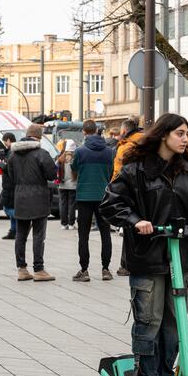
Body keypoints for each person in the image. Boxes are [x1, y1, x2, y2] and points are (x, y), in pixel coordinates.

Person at [99, 113, 188, 376]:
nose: (185, 139)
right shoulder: (135, 169)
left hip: (180, 255)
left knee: (175, 323)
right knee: (149, 320)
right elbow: (111, 203)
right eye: (179, 133)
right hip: (147, 254)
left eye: (187, 133)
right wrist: (136, 220)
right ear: (164, 134)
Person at [2, 123, 57, 281]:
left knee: (21, 235)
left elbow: (11, 176)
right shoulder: (41, 153)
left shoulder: (13, 155)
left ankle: (22, 269)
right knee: (39, 235)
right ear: (39, 137)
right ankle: (39, 270)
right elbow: (52, 175)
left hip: (20, 197)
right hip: (39, 198)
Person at [72, 119, 115, 282]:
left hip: (84, 196)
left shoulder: (80, 151)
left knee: (83, 234)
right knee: (105, 233)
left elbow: (74, 168)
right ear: (97, 131)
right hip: (103, 196)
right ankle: (106, 269)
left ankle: (84, 270)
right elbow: (111, 172)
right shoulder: (109, 151)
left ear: (84, 132)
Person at [113, 116, 145, 277]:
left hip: (129, 192)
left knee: (130, 229)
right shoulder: (145, 141)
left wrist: (113, 192)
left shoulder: (126, 147)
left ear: (124, 131)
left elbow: (118, 173)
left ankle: (127, 264)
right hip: (145, 192)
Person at [0, 132, 17, 240]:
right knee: (10, 206)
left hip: (10, 184)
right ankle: (13, 231)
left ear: (8, 140)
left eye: (5, 141)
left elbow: (8, 168)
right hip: (10, 184)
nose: (4, 143)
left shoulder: (11, 152)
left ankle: (22, 223)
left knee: (6, 208)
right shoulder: (13, 151)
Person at [57, 140, 78, 230]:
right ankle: (71, 224)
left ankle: (63, 224)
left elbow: (55, 169)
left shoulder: (60, 159)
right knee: (71, 205)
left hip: (62, 185)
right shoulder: (75, 158)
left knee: (63, 204)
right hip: (73, 185)